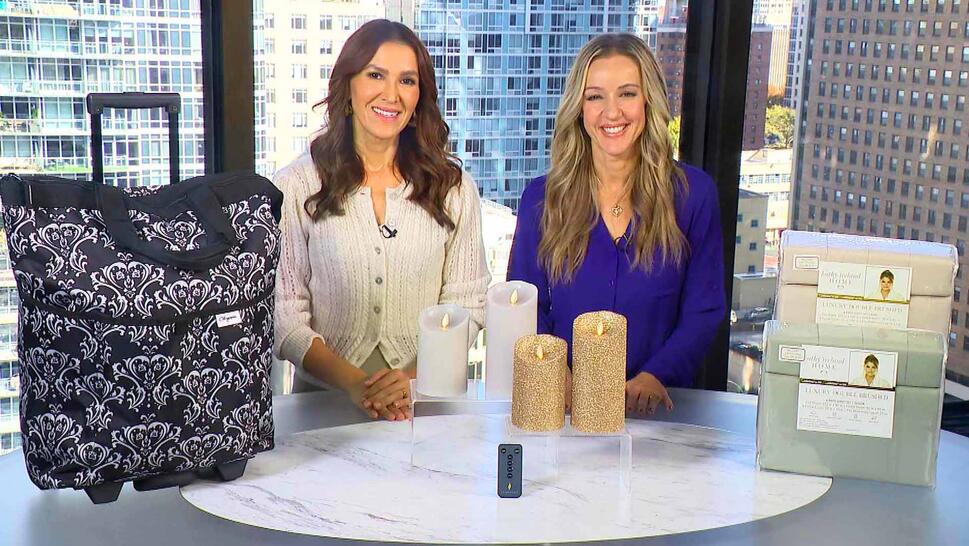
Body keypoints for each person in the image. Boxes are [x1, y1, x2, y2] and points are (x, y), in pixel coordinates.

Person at [273, 20, 490, 421]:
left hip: (425, 404)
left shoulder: (453, 188)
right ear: (348, 87)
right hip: (322, 408)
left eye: (407, 80)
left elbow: (468, 306)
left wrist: (411, 379)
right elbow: (285, 314)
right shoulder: (296, 185)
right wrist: (356, 384)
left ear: (419, 97)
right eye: (375, 75)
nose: (391, 94)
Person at [507, 33, 726, 416]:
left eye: (627, 93)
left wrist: (657, 374)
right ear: (579, 108)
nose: (612, 113)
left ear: (648, 101)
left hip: (659, 412)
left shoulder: (693, 195)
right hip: (565, 411)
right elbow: (525, 304)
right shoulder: (541, 199)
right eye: (595, 97)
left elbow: (703, 311)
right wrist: (556, 371)